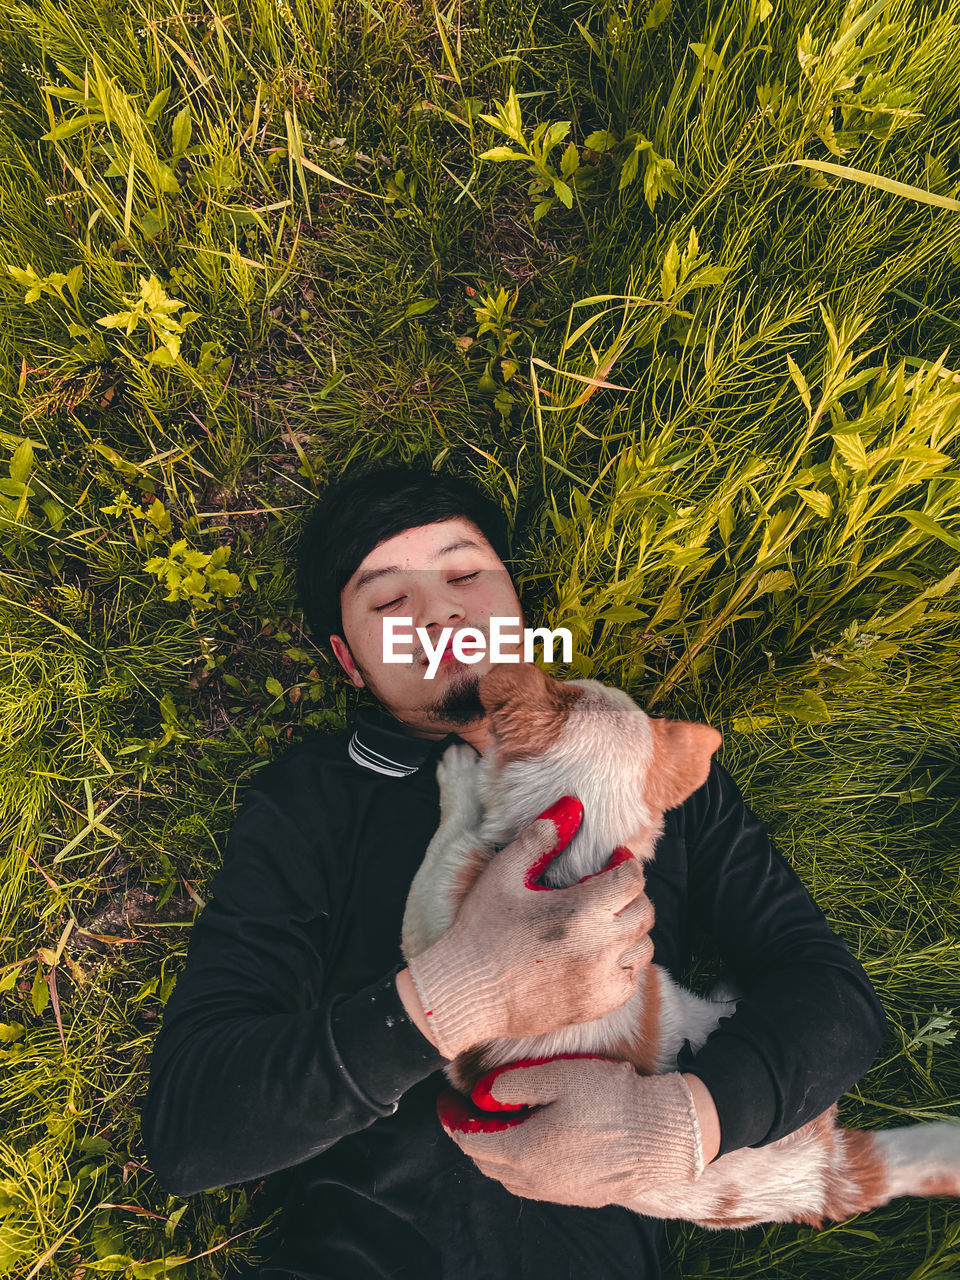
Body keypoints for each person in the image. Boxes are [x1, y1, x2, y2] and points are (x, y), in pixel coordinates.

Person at [139, 463, 887, 1279]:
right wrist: (444, 1001)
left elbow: (832, 999)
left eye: (464, 574)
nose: (440, 609)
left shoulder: (644, 767)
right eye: (389, 601)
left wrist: (690, 1120)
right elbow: (190, 1131)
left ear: (516, 606)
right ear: (348, 661)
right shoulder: (311, 799)